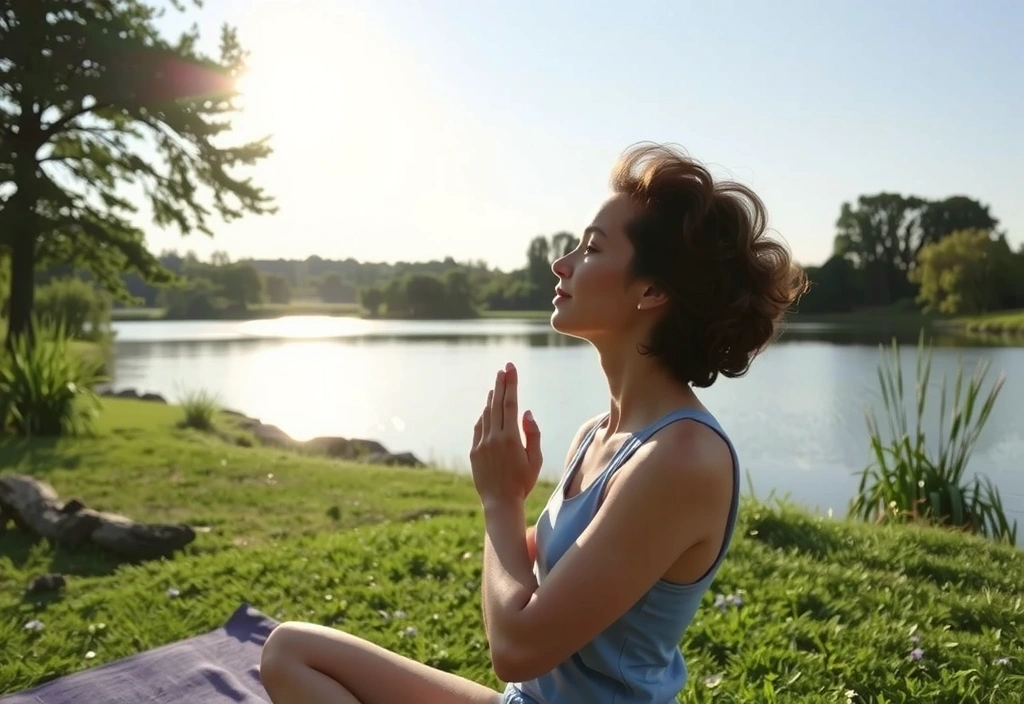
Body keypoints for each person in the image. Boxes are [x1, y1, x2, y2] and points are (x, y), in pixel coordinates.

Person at [258, 143, 808, 704]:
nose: (561, 263)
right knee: (291, 650)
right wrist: (514, 502)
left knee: (295, 654)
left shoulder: (683, 457)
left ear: (652, 290)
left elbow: (517, 648)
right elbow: (538, 576)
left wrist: (500, 501)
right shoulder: (598, 434)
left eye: (592, 248)